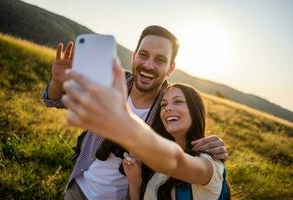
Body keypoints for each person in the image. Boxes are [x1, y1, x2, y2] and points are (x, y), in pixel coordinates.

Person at [42, 25, 228, 199]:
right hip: (79, 187)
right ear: (134, 56)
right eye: (143, 55)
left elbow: (181, 152)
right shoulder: (112, 82)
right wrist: (58, 82)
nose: (148, 65)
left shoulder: (167, 109)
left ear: (171, 68)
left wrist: (212, 145)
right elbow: (54, 100)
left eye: (160, 60)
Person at [62, 67, 230, 199]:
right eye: (163, 105)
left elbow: (176, 162)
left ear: (195, 110)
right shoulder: (155, 170)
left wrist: (123, 122)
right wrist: (135, 180)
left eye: (178, 102)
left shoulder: (210, 163)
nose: (168, 108)